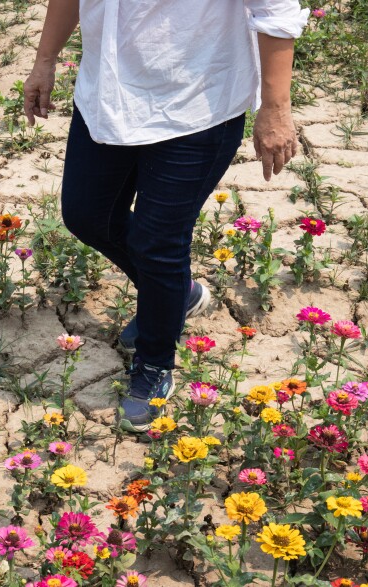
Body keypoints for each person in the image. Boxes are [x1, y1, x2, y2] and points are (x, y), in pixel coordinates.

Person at [23, 0, 309, 432]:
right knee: (86, 214)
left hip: (196, 103)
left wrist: (276, 106)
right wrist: (45, 61)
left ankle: (155, 363)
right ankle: (179, 295)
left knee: (158, 241)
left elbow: (277, 11)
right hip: (108, 90)